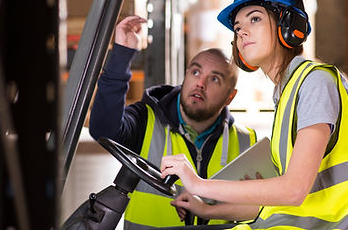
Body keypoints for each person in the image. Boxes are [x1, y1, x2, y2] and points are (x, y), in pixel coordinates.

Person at [160, 0, 348, 229]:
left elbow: (294, 190)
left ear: (289, 26)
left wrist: (199, 183)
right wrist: (208, 208)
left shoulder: (315, 82)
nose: (242, 32)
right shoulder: (288, 92)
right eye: (238, 27)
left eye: (254, 19)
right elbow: (276, 200)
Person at [89, 15, 257, 228]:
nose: (200, 84)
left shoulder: (246, 142)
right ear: (185, 76)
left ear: (229, 97)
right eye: (195, 72)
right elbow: (102, 129)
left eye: (214, 79)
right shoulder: (145, 119)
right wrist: (122, 54)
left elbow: (260, 213)